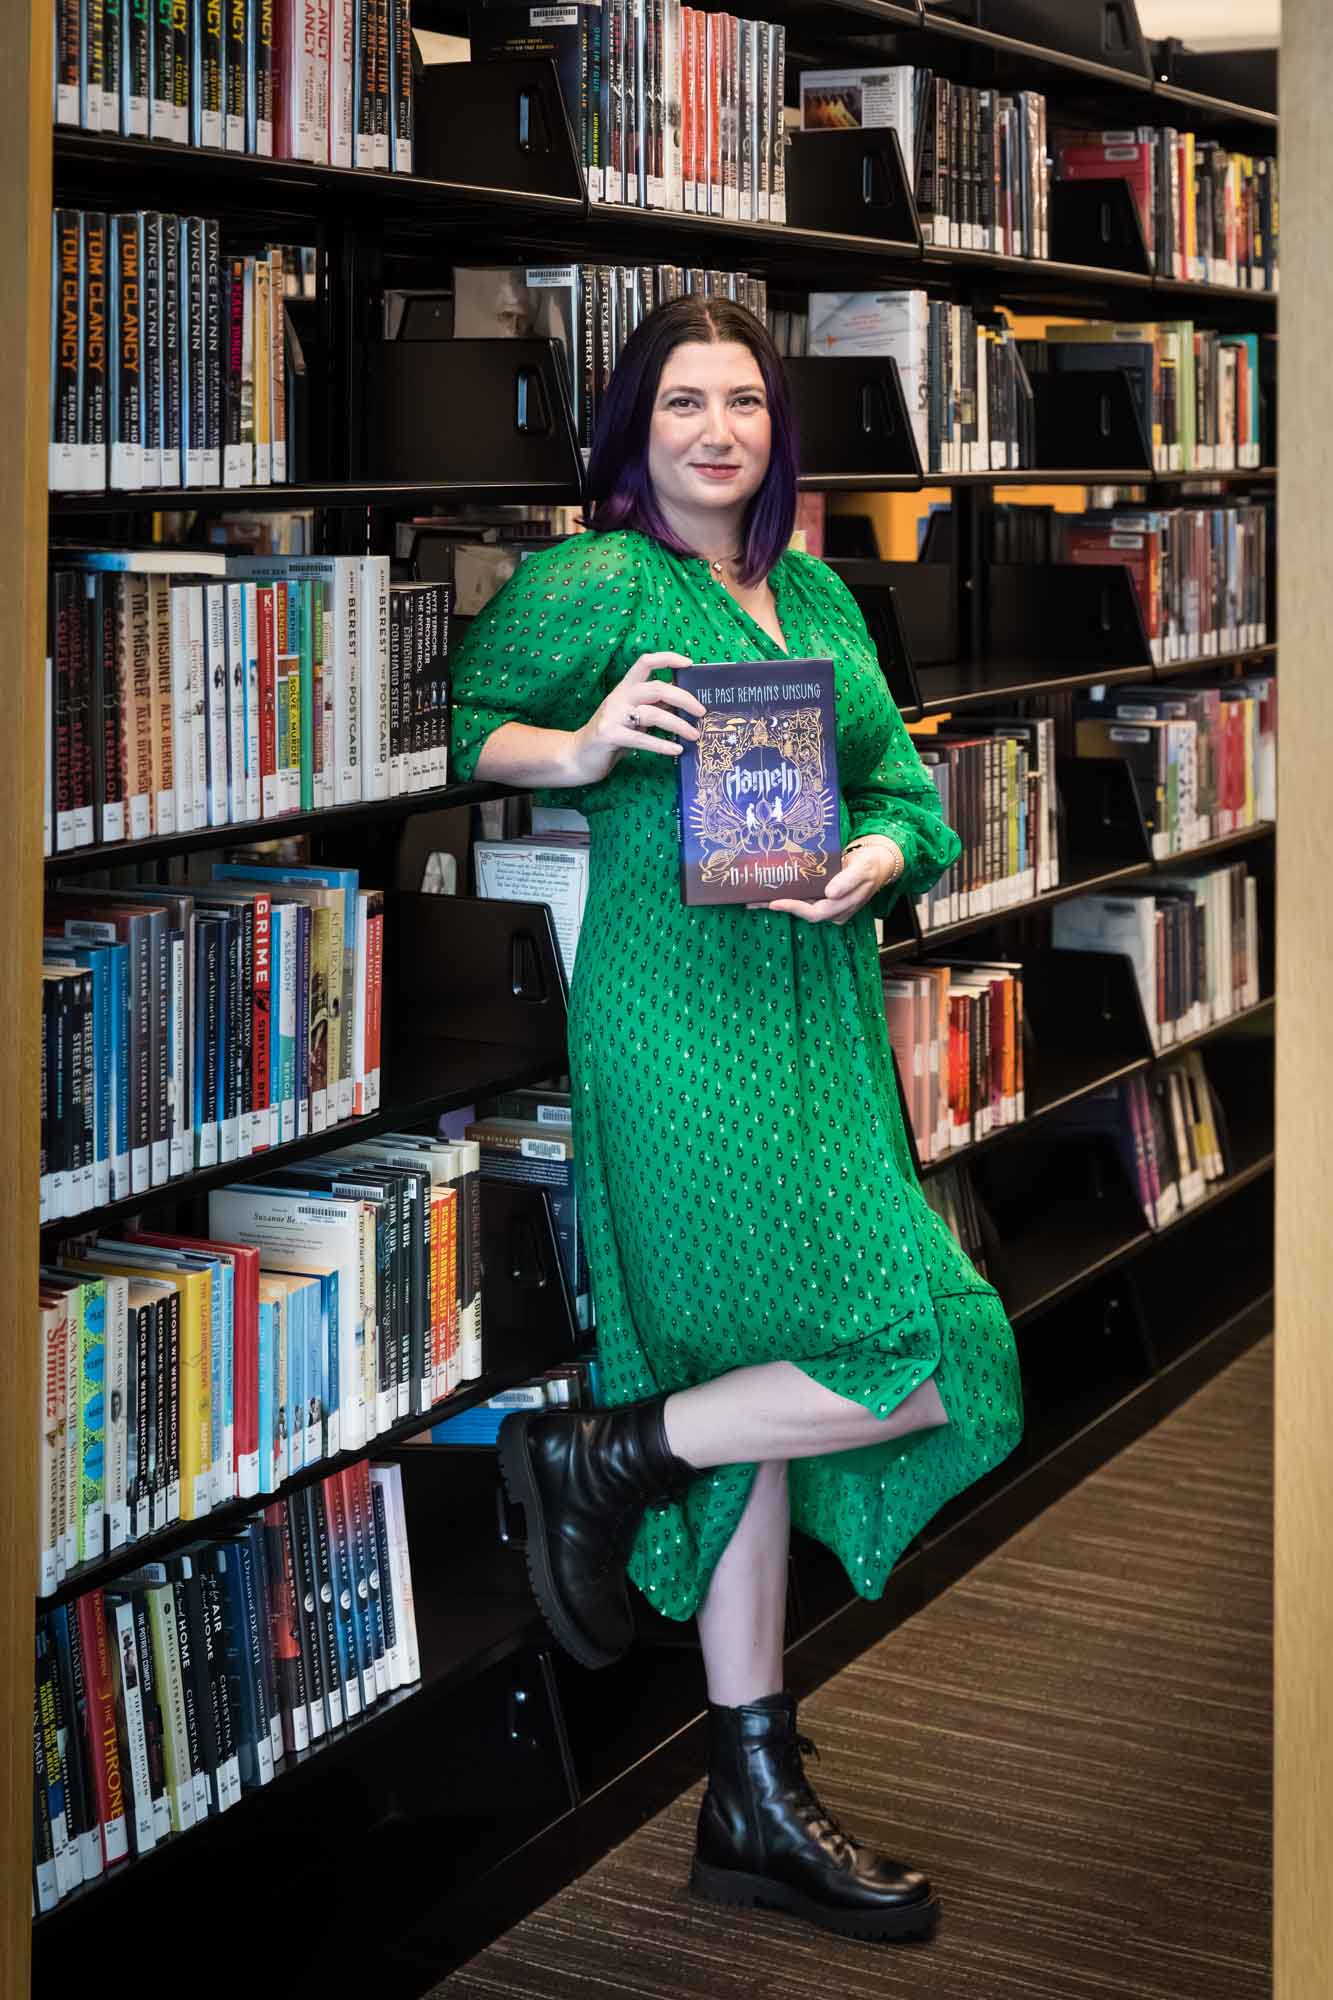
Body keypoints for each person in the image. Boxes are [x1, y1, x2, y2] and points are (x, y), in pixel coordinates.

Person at [448, 294, 1025, 1944]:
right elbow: (458, 732)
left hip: (817, 1008)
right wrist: (581, 736)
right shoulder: (598, 579)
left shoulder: (824, 590)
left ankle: (739, 1771)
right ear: (634, 428)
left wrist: (882, 858)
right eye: (684, 402)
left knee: (783, 1378)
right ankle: (625, 1487)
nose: (718, 430)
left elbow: (902, 788)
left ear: (778, 429)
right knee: (921, 1356)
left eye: (746, 404)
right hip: (674, 1021)